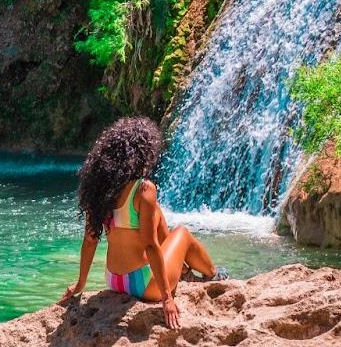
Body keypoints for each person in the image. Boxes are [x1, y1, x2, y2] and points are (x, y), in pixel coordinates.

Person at [59, 116, 226, 329]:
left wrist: (81, 284)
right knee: (182, 233)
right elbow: (149, 244)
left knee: (156, 212)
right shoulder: (143, 189)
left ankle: (184, 272)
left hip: (114, 280)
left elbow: (90, 240)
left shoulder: (99, 191)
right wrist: (167, 298)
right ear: (143, 153)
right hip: (144, 284)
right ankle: (213, 274)